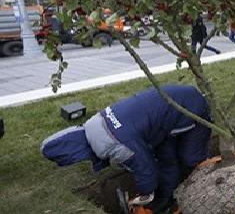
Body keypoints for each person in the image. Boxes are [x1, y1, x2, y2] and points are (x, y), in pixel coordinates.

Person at [41, 85, 212, 213]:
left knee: (191, 158)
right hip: (168, 112)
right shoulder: (95, 123)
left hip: (191, 109)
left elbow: (146, 170)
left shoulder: (115, 143)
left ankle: (210, 184)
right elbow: (138, 153)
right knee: (166, 160)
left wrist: (144, 196)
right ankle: (167, 198)